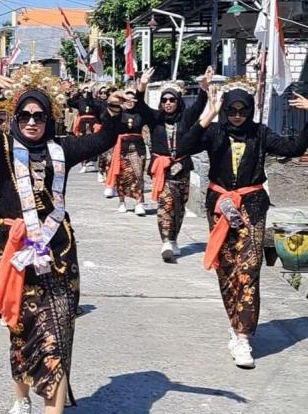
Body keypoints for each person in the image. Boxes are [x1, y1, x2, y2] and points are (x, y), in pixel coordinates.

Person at [0, 65, 124, 414]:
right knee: (20, 333)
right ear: (15, 118)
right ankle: (21, 404)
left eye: (39, 116)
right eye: (25, 116)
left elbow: (105, 138)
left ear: (49, 120)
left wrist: (112, 112)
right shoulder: (1, 148)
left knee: (57, 338)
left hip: (58, 256)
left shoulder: (63, 151)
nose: (32, 122)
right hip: (14, 255)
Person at [177, 83, 308, 368]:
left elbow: (294, 147)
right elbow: (183, 147)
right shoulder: (215, 131)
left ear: (249, 111)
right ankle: (234, 321)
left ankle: (243, 336)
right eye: (232, 111)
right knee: (227, 270)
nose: (237, 116)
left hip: (252, 204)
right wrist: (209, 114)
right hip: (220, 206)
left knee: (249, 268)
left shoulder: (260, 133)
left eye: (242, 111)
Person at [137, 66, 211, 261]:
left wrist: (203, 87)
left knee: (179, 206)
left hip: (182, 168)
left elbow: (199, 105)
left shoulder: (185, 118)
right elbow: (140, 106)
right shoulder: (155, 119)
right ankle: (166, 242)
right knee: (166, 204)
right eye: (164, 100)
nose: (168, 103)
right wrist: (142, 86)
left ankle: (174, 238)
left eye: (172, 100)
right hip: (162, 168)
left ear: (178, 102)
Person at [103, 83, 147, 215]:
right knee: (121, 175)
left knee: (138, 175)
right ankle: (122, 202)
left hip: (137, 147)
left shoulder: (141, 114)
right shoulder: (118, 114)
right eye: (126, 99)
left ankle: (139, 202)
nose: (129, 102)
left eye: (132, 99)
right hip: (121, 147)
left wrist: (142, 87)